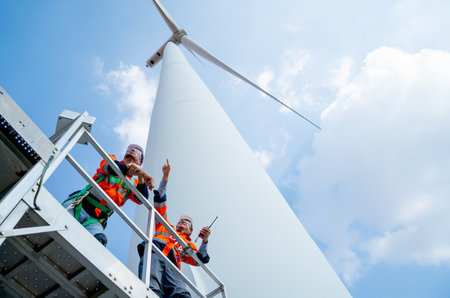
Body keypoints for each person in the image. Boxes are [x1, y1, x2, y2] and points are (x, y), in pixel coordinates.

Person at [137, 159, 211, 298]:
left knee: (181, 294)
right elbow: (160, 201)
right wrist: (165, 177)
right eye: (181, 220)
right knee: (151, 287)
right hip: (155, 253)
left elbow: (199, 259)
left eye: (187, 222)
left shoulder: (188, 244)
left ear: (190, 231)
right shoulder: (164, 226)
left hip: (173, 264)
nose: (183, 222)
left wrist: (205, 240)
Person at [62, 144, 154, 246]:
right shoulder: (111, 159)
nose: (132, 150)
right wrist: (143, 173)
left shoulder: (134, 183)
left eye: (137, 151)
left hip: (96, 220)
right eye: (129, 149)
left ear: (139, 162)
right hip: (80, 205)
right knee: (58, 221)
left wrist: (141, 175)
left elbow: (142, 199)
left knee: (99, 242)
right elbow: (112, 167)